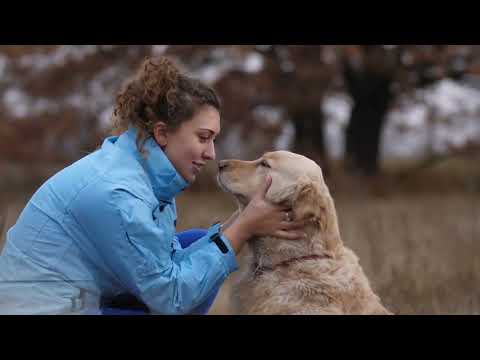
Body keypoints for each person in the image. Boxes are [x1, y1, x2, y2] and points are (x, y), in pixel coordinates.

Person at [0, 56, 306, 315]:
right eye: (203, 137)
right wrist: (242, 230)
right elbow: (171, 297)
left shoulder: (142, 169)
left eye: (213, 139)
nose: (212, 153)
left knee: (198, 242)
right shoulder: (117, 194)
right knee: (193, 281)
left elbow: (165, 262)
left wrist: (242, 220)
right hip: (43, 308)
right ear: (162, 133)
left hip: (82, 296)